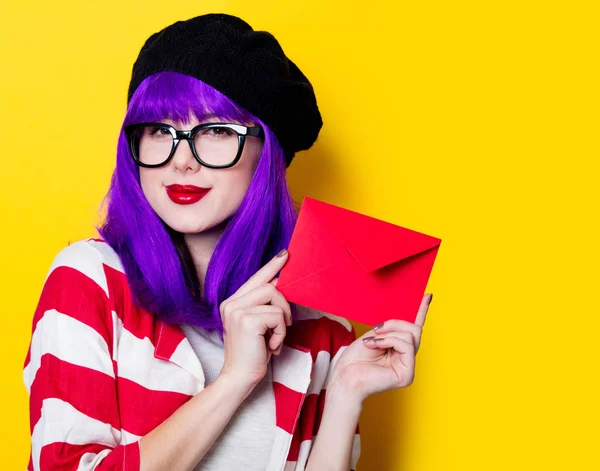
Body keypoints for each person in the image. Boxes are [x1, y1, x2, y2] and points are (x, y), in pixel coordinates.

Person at [22, 13, 433, 471]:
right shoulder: (90, 280)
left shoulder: (321, 320)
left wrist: (345, 394)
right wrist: (236, 378)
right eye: (160, 130)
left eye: (216, 131)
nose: (181, 161)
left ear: (267, 152)